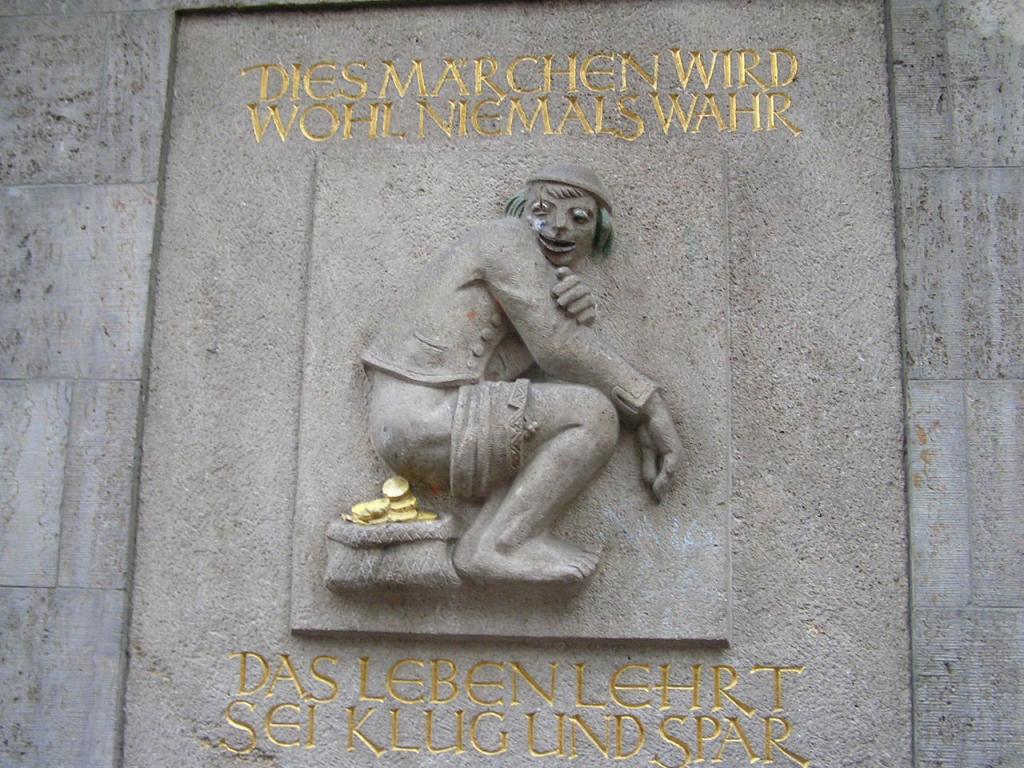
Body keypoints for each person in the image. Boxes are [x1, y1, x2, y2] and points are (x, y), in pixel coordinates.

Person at [362, 164, 682, 584]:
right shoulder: (507, 238)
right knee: (592, 416)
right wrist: (648, 406)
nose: (559, 226)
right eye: (542, 210)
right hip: (422, 418)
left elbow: (513, 360)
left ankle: (487, 541)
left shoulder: (522, 265)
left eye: (579, 218)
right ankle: (503, 545)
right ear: (519, 211)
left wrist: (562, 310)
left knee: (561, 414)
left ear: (598, 232)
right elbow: (556, 346)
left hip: (415, 422)